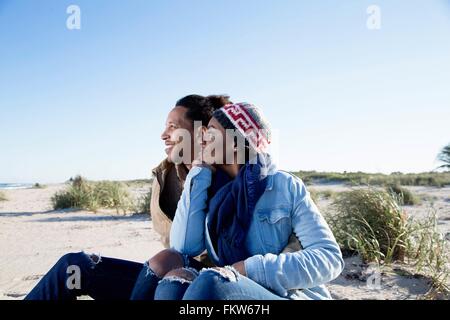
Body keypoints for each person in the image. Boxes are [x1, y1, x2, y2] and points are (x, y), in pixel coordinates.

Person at [137, 102, 344, 300]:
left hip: (286, 294)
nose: (203, 138)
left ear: (234, 143)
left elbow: (329, 258)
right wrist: (199, 171)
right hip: (231, 285)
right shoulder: (209, 186)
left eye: (211, 131)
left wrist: (248, 269)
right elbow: (183, 247)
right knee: (173, 274)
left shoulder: (284, 185)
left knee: (213, 280)